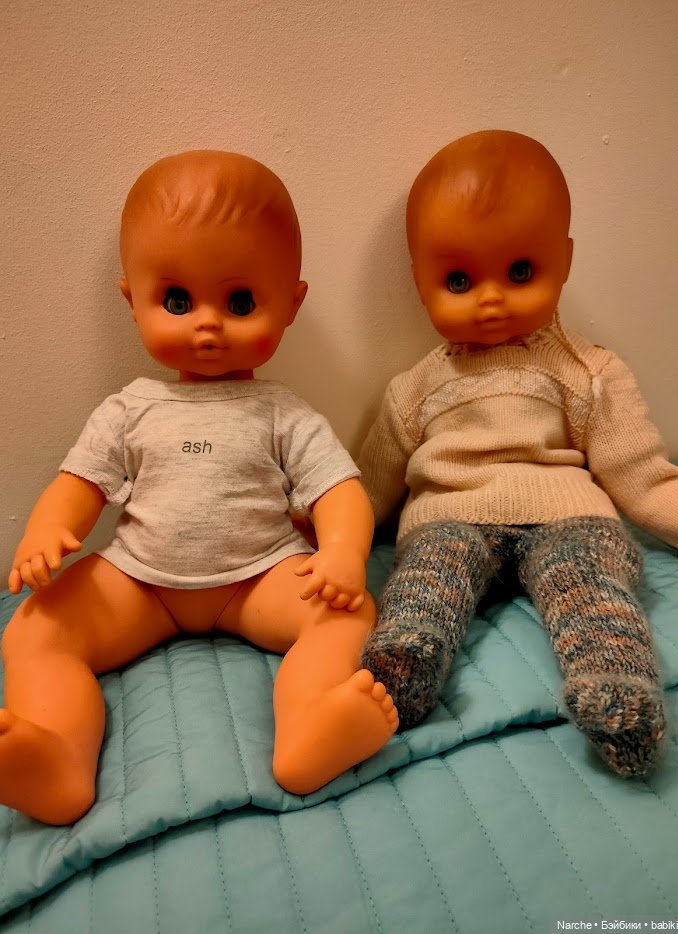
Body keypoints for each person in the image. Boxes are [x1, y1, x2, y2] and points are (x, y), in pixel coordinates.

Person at [2, 150, 397, 824]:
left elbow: (339, 491)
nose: (207, 323)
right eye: (178, 301)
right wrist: (47, 531)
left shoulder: (282, 412)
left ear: (292, 303)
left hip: (260, 579)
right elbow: (79, 482)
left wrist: (341, 553)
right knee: (34, 630)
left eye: (240, 302)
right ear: (132, 300)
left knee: (349, 611)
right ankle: (56, 756)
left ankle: (310, 728)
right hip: (140, 583)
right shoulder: (129, 408)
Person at [358, 130, 678, 777]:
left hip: (571, 516)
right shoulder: (415, 389)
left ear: (563, 260)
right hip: (450, 517)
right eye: (459, 279)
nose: (490, 298)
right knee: (430, 574)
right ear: (420, 280)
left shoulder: (587, 372)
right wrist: (323, 540)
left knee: (592, 584)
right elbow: (371, 486)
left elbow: (641, 475)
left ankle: (619, 686)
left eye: (519, 272)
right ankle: (403, 663)